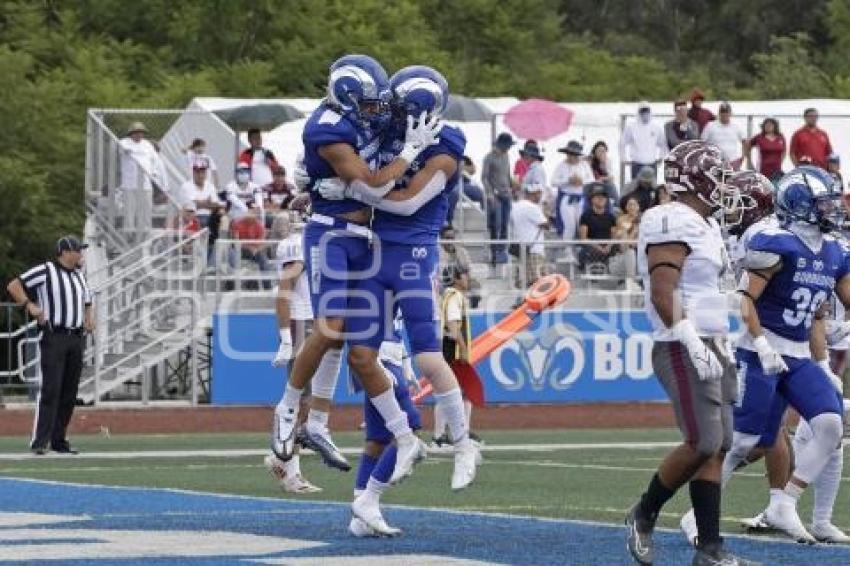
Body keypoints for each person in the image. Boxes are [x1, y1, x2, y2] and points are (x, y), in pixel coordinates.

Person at [274, 54, 443, 485]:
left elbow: (375, 180)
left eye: (379, 104)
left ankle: (334, 427)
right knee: (330, 328)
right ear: (348, 101)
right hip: (332, 235)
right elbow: (373, 182)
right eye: (367, 105)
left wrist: (333, 186)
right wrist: (351, 181)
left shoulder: (384, 119)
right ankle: (289, 408)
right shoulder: (326, 128)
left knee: (356, 344)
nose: (376, 112)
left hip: (367, 239)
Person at [327, 65, 481, 490]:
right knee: (362, 355)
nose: (393, 116)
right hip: (374, 254)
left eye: (402, 109)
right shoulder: (390, 129)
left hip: (413, 253)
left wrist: (354, 189)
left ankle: (464, 443)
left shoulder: (446, 146)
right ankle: (404, 437)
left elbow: (406, 204)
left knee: (428, 358)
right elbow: (354, 160)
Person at [626, 140, 751, 565]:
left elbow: (708, 292)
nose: (724, 184)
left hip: (715, 341)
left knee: (720, 447)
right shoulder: (670, 217)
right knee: (703, 440)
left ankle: (710, 548)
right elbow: (664, 292)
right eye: (717, 175)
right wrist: (693, 341)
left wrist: (723, 343)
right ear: (694, 178)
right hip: (682, 342)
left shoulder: (707, 224)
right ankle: (644, 512)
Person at [713, 166, 850, 544]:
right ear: (800, 204)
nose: (832, 210)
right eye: (823, 203)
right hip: (763, 350)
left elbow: (823, 311)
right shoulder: (776, 242)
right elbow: (746, 299)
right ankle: (701, 510)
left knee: (829, 426)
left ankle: (785, 503)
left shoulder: (835, 249)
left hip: (801, 354)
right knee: (745, 441)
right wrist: (759, 343)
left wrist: (823, 364)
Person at [264, 213, 347, 491]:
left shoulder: (315, 241)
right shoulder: (298, 243)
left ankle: (281, 459)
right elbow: (284, 290)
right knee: (304, 401)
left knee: (309, 401)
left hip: (314, 322)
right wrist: (287, 337)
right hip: (303, 323)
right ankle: (289, 470)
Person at [6, 236, 94, 455]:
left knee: (69, 391)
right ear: (65, 252)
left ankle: (59, 440)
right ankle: (39, 441)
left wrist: (89, 317)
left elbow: (87, 300)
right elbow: (14, 285)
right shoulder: (46, 270)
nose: (81, 254)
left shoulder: (79, 275)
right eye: (78, 250)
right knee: (51, 388)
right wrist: (30, 306)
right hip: (54, 336)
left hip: (75, 338)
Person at [349, 319, 422, 537]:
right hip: (378, 357)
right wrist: (376, 364)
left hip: (389, 356)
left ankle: (359, 520)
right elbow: (354, 317)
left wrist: (406, 362)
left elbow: (395, 323)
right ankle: (369, 499)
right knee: (410, 424)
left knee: (378, 440)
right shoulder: (373, 286)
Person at [437, 264, 484, 445]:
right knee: (458, 391)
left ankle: (452, 432)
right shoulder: (455, 296)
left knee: (451, 392)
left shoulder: (449, 295)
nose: (467, 278)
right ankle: (446, 434)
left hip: (448, 347)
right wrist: (463, 348)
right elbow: (453, 325)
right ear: (456, 278)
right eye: (464, 275)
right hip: (453, 349)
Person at [118, 122, 160, 243]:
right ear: (131, 133)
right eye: (136, 132)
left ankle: (145, 237)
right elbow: (122, 149)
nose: (139, 134)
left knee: (146, 211)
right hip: (129, 184)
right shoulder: (124, 142)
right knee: (130, 211)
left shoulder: (147, 145)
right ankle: (129, 237)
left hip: (146, 184)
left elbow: (155, 160)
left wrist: (153, 173)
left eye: (141, 132)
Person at [482, 132, 515, 265]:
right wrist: (489, 193)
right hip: (495, 196)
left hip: (506, 194)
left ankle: (502, 251)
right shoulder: (488, 158)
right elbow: (484, 177)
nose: (508, 148)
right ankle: (494, 252)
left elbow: (507, 175)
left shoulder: (507, 156)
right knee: (496, 224)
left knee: (505, 224)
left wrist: (513, 185)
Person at [551, 140, 594, 243]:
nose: (571, 157)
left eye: (574, 154)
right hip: (567, 198)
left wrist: (581, 181)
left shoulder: (584, 165)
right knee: (569, 225)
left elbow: (592, 179)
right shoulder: (561, 165)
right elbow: (553, 182)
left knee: (581, 224)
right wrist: (568, 181)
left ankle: (581, 248)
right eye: (569, 154)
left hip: (580, 198)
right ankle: (567, 250)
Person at [510, 183, 549, 287]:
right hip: (534, 250)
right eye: (538, 193)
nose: (539, 196)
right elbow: (546, 225)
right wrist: (545, 209)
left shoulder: (515, 206)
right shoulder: (533, 207)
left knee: (523, 282)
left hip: (521, 248)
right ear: (533, 194)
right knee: (536, 284)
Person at [619, 101, 667, 180]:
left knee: (652, 189)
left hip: (652, 164)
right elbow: (622, 143)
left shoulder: (656, 127)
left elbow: (663, 144)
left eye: (647, 111)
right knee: (636, 189)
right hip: (637, 164)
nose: (645, 114)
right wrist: (623, 158)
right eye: (643, 111)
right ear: (638, 112)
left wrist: (661, 157)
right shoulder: (631, 127)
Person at [577, 183, 617, 268]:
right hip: (592, 247)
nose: (601, 199)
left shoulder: (611, 216)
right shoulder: (585, 216)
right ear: (592, 199)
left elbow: (614, 236)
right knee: (587, 251)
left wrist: (608, 246)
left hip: (608, 248)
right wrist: (598, 247)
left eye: (603, 197)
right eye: (598, 197)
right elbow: (583, 238)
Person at [440, 226, 481, 308]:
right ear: (441, 239)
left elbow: (469, 268)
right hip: (446, 281)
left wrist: (468, 279)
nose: (450, 241)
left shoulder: (462, 251)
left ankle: (473, 306)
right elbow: (441, 274)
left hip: (462, 277)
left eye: (452, 238)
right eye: (447, 238)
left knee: (475, 284)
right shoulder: (438, 253)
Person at [700, 102, 746, 168]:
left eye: (726, 112)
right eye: (722, 112)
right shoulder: (710, 125)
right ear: (719, 113)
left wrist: (743, 157)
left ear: (730, 113)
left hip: (733, 162)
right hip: (714, 162)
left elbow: (744, 141)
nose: (724, 114)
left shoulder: (736, 126)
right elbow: (702, 142)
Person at [745, 117, 786, 182]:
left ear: (775, 126)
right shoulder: (759, 137)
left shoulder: (780, 137)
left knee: (776, 188)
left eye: (770, 125)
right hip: (763, 169)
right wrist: (750, 162)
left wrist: (781, 161)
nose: (768, 127)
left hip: (777, 169)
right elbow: (747, 146)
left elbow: (784, 150)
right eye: (766, 125)